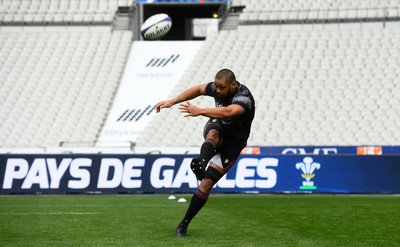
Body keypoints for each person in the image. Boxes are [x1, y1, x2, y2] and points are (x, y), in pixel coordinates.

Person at [154, 68, 255, 237]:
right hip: (219, 126)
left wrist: (200, 111)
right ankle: (201, 162)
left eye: (222, 87)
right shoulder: (218, 87)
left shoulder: (244, 97)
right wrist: (172, 101)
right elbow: (198, 89)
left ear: (233, 84)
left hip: (234, 142)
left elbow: (230, 111)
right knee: (213, 133)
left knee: (206, 184)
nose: (218, 91)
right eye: (216, 87)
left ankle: (183, 224)